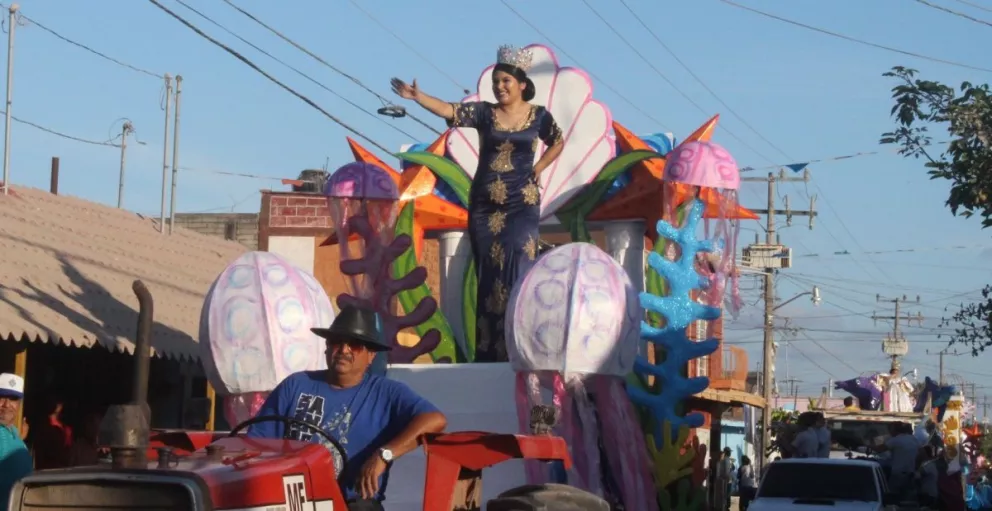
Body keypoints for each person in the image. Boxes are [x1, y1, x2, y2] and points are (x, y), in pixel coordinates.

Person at [391, 44, 565, 362]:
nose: (499, 87)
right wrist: (419, 97)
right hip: (486, 206)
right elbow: (449, 110)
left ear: (522, 84)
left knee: (519, 263)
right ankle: (491, 357)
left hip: (522, 202)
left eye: (506, 82)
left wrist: (539, 168)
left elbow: (558, 140)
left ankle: (523, 348)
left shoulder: (539, 116)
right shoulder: (485, 113)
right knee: (489, 276)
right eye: (496, 82)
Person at [247, 305, 447, 511]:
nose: (344, 350)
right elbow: (257, 444)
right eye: (337, 342)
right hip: (292, 500)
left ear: (371, 356)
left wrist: (383, 455)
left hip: (352, 503)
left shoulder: (386, 393)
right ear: (326, 347)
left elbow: (434, 420)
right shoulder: (296, 384)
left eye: (355, 345)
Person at [0, 373, 32, 506]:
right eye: (1, 397)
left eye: (13, 398)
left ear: (19, 404)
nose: (6, 404)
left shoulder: (14, 433)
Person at [873, 422, 922, 499]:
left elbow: (879, 449)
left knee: (892, 495)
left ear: (895, 430)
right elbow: (921, 454)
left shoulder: (896, 440)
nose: (890, 432)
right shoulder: (914, 439)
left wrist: (867, 446)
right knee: (908, 497)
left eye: (891, 430)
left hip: (898, 474)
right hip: (911, 474)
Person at [30, 397, 73, 470]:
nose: (59, 406)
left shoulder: (65, 427)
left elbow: (68, 448)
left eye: (61, 403)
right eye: (57, 403)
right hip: (48, 468)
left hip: (63, 467)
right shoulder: (43, 426)